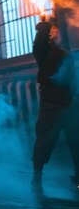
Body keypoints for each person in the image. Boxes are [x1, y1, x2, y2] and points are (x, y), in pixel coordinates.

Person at [31, 18, 79, 192]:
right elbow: (40, 42)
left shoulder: (63, 51)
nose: (55, 31)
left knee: (76, 140)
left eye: (55, 28)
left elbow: (72, 76)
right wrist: (43, 29)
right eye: (52, 29)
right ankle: (36, 178)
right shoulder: (43, 50)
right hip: (52, 103)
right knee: (45, 139)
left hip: (69, 102)